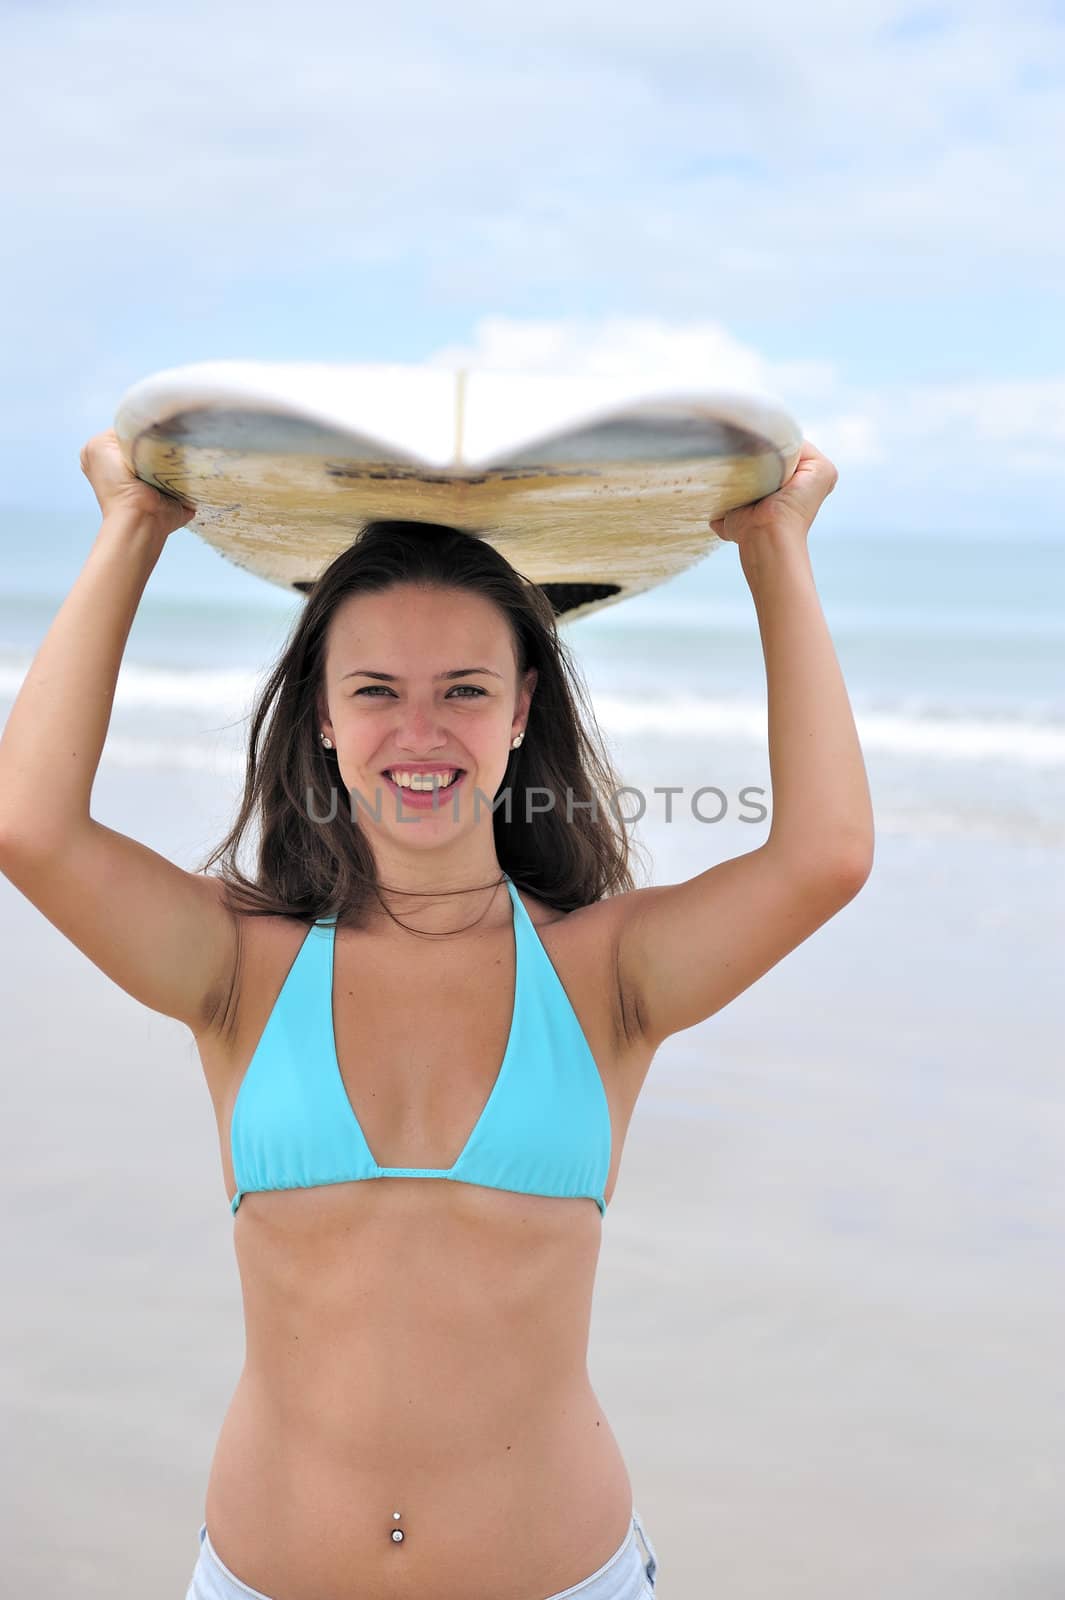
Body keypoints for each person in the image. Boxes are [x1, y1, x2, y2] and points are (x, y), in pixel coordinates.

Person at [0, 427, 872, 1600]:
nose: (421, 734)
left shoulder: (606, 973)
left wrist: (775, 544)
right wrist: (133, 526)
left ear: (521, 712)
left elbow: (825, 853)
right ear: (320, 714)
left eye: (464, 690)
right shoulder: (236, 969)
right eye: (375, 691)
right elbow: (29, 829)